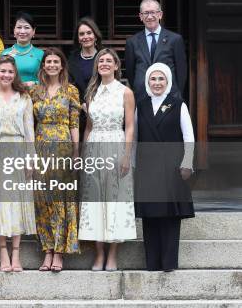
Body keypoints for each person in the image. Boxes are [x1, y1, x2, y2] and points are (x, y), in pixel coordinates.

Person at [78, 48, 137, 271]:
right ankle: (99, 254)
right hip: (94, 146)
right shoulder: (91, 92)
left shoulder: (125, 92)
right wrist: (84, 155)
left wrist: (126, 155)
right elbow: (89, 127)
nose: (103, 63)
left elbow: (130, 126)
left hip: (116, 143)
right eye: (100, 60)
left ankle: (112, 255)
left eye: (108, 61)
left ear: (115, 66)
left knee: (114, 201)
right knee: (94, 200)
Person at [0, 56, 36, 272]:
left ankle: (16, 255)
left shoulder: (24, 99)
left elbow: (30, 131)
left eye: (10, 72)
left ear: (15, 74)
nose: (6, 75)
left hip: (18, 149)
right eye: (2, 71)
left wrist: (31, 159)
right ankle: (3, 252)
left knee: (18, 203)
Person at [135, 62, 195, 272]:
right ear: (147, 81)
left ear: (168, 81)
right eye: (153, 78)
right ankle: (152, 264)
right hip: (147, 168)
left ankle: (169, 264)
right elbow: (134, 139)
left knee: (169, 217)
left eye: (161, 79)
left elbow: (188, 137)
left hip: (172, 168)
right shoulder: (140, 105)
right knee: (150, 216)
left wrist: (187, 163)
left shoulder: (178, 104)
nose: (157, 83)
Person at [30, 47, 81, 272]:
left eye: (55, 62)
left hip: (62, 147)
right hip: (40, 146)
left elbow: (74, 124)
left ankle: (59, 252)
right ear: (43, 66)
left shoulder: (71, 90)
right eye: (48, 61)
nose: (51, 65)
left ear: (62, 66)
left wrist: (76, 153)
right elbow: (29, 124)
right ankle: (47, 249)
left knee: (60, 199)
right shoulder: (35, 92)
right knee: (43, 200)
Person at [125, 0, 187, 101]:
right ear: (140, 16)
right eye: (146, 13)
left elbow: (181, 72)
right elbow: (130, 72)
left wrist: (176, 94)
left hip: (169, 95)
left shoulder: (175, 39)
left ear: (160, 14)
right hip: (142, 96)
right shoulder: (132, 42)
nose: (150, 16)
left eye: (153, 12)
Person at [1, 12, 44, 88]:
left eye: (26, 27)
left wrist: (34, 84)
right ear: (14, 30)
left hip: (34, 95)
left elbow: (47, 79)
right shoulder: (5, 53)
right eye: (19, 27)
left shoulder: (40, 54)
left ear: (33, 31)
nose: (22, 31)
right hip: (10, 96)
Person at [67, 17, 104, 103]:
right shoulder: (71, 59)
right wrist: (82, 104)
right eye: (81, 34)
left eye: (89, 33)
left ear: (95, 36)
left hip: (102, 105)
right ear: (78, 39)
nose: (85, 37)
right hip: (77, 106)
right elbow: (69, 85)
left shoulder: (104, 57)